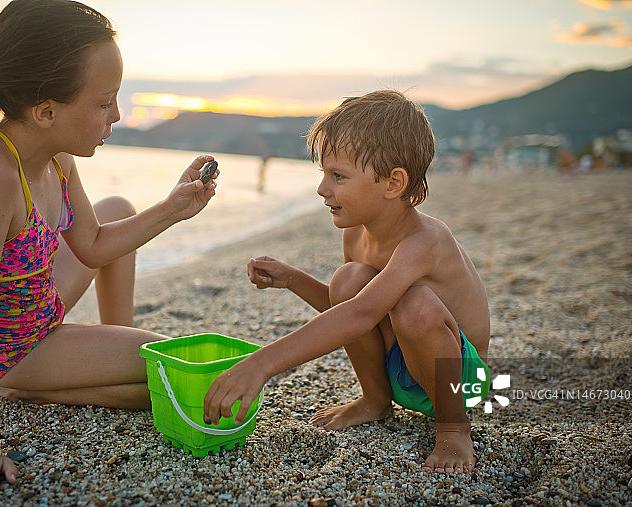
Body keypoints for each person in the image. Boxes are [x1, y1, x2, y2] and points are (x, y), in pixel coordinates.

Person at [0, 0, 218, 504]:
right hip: (11, 348)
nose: (117, 114)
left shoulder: (56, 153)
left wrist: (173, 207)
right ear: (46, 111)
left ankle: (111, 343)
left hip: (41, 304)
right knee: (167, 375)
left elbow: (92, 245)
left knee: (116, 207)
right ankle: (24, 385)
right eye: (105, 101)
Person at [203, 90, 490, 474]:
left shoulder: (425, 242)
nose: (323, 189)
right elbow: (349, 313)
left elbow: (361, 314)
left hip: (458, 385)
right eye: (324, 173)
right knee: (350, 278)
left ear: (393, 184)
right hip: (401, 366)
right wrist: (294, 280)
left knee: (415, 304)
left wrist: (261, 365)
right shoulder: (355, 235)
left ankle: (454, 429)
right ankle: (375, 400)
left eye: (338, 176)